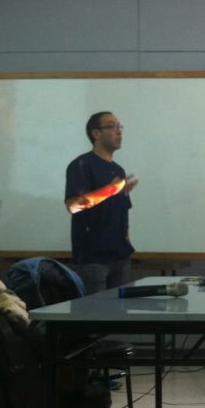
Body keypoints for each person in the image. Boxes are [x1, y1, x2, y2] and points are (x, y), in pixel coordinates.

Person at [64, 112, 139, 294]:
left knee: (120, 311)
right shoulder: (82, 165)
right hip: (93, 259)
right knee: (95, 310)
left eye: (120, 127)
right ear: (96, 133)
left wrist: (126, 243)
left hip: (120, 257)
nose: (119, 131)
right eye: (112, 126)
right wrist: (109, 190)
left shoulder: (118, 170)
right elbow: (73, 206)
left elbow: (122, 212)